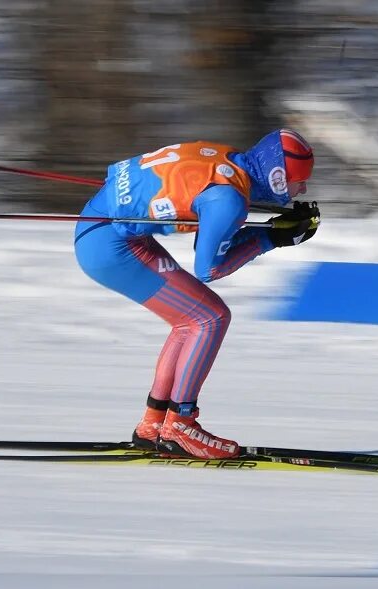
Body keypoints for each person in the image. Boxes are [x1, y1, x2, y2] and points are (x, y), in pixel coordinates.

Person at [73, 129, 319, 459]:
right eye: (297, 180)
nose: (301, 189)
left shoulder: (231, 160)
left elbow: (213, 213)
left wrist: (270, 229)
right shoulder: (229, 199)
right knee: (210, 318)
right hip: (110, 247)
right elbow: (209, 269)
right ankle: (180, 425)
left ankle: (154, 425)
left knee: (189, 321)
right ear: (275, 176)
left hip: (102, 227)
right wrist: (270, 239)